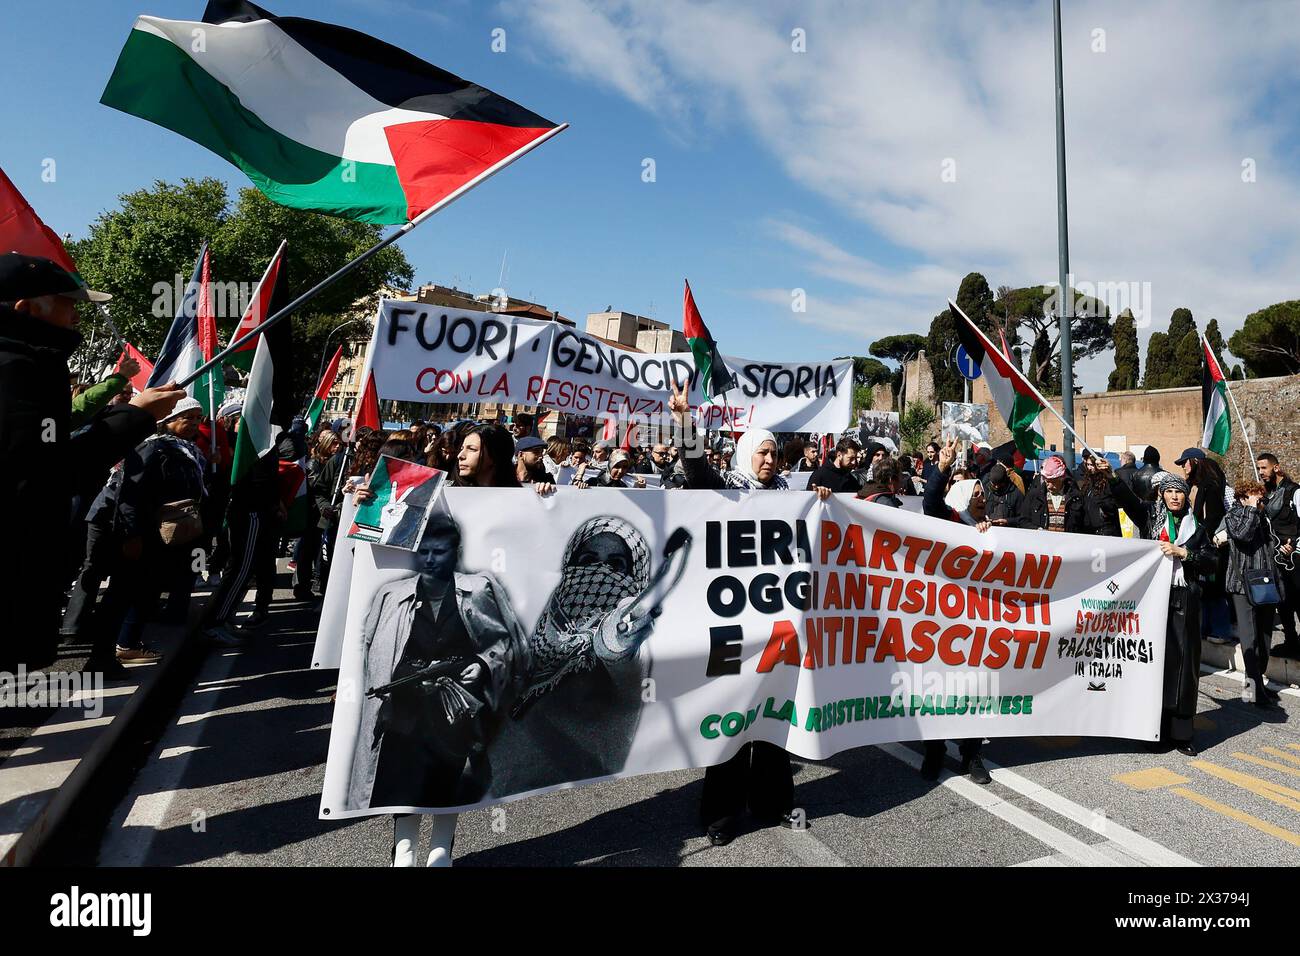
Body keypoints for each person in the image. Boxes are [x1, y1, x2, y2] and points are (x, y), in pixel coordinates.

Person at [0, 253, 183, 671]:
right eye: (68, 303)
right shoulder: (16, 369)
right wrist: (137, 415)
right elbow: (44, 471)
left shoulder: (30, 364)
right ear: (26, 308)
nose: (77, 316)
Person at [669, 381, 822, 846]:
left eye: (774, 453)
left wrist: (822, 502)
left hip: (775, 630)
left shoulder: (788, 495)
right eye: (761, 452)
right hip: (734, 630)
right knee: (733, 724)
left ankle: (772, 804)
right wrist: (685, 424)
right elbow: (697, 474)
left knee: (773, 722)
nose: (770, 460)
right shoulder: (726, 491)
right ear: (743, 455)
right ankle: (720, 816)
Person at [88, 397, 209, 676]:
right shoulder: (153, 447)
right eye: (186, 417)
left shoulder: (187, 450)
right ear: (169, 420)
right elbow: (129, 495)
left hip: (158, 536)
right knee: (121, 595)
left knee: (145, 592)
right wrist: (131, 535)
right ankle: (102, 658)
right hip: (139, 534)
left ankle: (127, 645)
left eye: (197, 418)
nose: (193, 423)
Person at [921, 439, 994, 785]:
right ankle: (934, 751)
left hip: (976, 621)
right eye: (977, 494)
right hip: (941, 619)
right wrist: (942, 468)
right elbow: (930, 502)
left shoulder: (993, 530)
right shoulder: (947, 519)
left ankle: (972, 752)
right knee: (938, 686)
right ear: (964, 498)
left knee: (975, 687)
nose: (983, 498)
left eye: (984, 494)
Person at [1148, 474, 1213, 754]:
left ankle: (1182, 734)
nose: (1175, 496)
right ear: (1161, 495)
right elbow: (1125, 500)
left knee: (1185, 667)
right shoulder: (1152, 521)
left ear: (1187, 496)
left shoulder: (1197, 527)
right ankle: (1156, 732)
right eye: (1169, 491)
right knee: (1159, 664)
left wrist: (1185, 553)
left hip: (1187, 598)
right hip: (1156, 599)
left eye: (1180, 491)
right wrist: (1110, 476)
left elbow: (1212, 561)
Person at [1224, 479, 1285, 710]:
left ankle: (1256, 683)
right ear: (1242, 497)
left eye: (1259, 496)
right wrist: (1250, 509)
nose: (1258, 500)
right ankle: (1254, 691)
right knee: (1249, 640)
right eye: (1253, 496)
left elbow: (1269, 548)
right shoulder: (1234, 516)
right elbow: (1242, 535)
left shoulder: (1262, 517)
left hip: (1266, 584)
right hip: (1242, 586)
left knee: (1265, 638)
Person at [1256, 453, 1300, 658]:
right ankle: (1291, 642)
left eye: (1264, 468)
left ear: (1276, 468)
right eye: (1259, 468)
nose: (1261, 472)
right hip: (1275, 558)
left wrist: (1295, 547)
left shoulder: (1295, 492)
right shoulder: (1267, 496)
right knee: (1283, 603)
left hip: (1295, 557)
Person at [1021, 455, 1084, 533]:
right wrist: (1038, 530)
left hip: (1067, 543)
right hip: (1042, 543)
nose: (1049, 486)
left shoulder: (1075, 497)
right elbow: (1023, 521)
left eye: (1053, 482)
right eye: (1047, 481)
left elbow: (1084, 525)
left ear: (1062, 478)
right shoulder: (1034, 496)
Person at [982, 462, 1024, 527]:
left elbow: (1023, 518)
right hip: (987, 528)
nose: (996, 487)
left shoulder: (1016, 493)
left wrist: (1008, 521)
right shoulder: (984, 490)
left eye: (999, 484)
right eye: (994, 484)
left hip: (1006, 531)